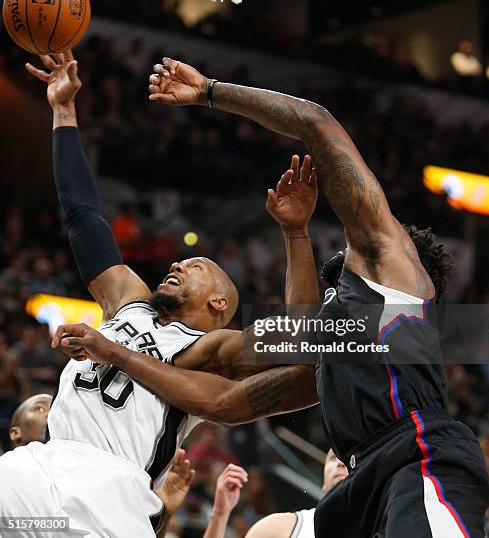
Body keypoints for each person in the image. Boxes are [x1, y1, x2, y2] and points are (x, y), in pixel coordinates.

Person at [146, 57, 488, 537]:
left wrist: (209, 91)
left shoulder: (392, 263)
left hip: (420, 455)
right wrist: (295, 233)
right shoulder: (346, 334)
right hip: (364, 476)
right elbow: (300, 338)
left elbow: (316, 122)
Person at [0, 51, 319, 537]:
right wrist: (63, 112)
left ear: (218, 304)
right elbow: (83, 217)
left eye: (194, 267)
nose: (175, 264)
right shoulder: (129, 297)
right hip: (38, 470)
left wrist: (296, 235)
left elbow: (306, 339)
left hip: (111, 493)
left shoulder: (209, 350)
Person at [8, 393, 194, 538]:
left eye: (55, 406)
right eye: (40, 408)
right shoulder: (12, 472)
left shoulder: (90, 472)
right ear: (16, 433)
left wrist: (162, 514)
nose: (51, 413)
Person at [245, 450, 348, 538]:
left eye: (349, 457)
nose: (340, 463)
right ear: (324, 483)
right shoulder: (277, 528)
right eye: (333, 457)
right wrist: (227, 512)